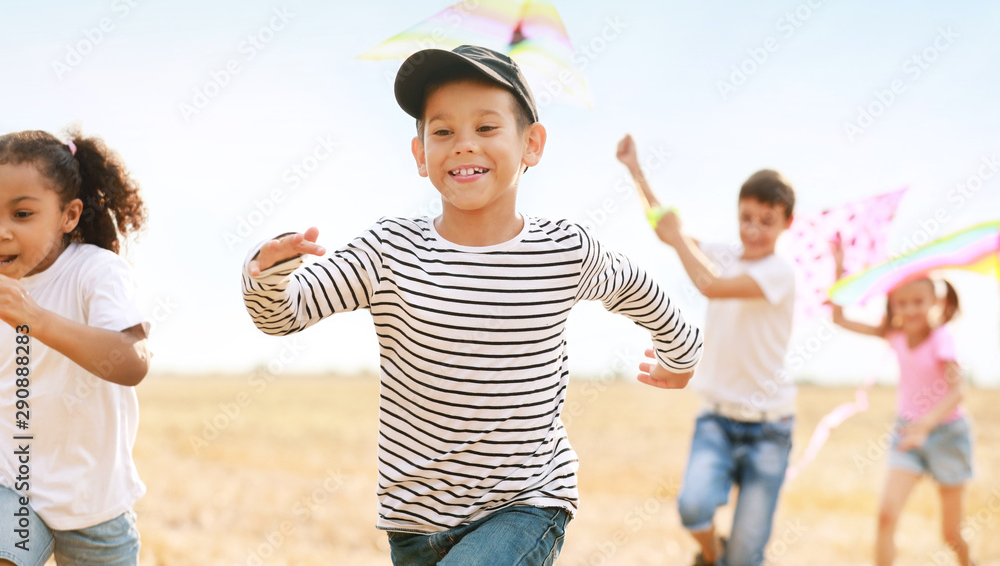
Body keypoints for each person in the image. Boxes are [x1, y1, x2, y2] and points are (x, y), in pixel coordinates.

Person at [241, 45, 704, 565]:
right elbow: (283, 315)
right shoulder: (389, 251)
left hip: (526, 503)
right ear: (419, 154)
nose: (464, 145)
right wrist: (268, 271)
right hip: (414, 523)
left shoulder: (563, 251)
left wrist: (681, 356)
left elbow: (644, 293)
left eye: (486, 128)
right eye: (442, 132)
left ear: (532, 144)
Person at [616, 134, 796, 566]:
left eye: (766, 221)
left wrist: (679, 240)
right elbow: (667, 230)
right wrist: (636, 171)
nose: (753, 229)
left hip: (770, 430)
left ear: (787, 223)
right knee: (693, 508)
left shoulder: (779, 274)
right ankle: (710, 556)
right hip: (717, 419)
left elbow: (710, 285)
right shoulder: (728, 254)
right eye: (746, 217)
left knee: (749, 555)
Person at [0, 130, 151, 565]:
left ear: (68, 215)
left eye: (22, 213)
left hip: (93, 504)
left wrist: (37, 320)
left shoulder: (96, 272)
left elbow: (131, 361)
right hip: (12, 483)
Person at [829, 241, 974, 566]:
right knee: (885, 516)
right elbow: (839, 318)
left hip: (947, 435)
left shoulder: (942, 339)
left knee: (951, 535)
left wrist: (926, 425)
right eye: (902, 303)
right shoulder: (893, 335)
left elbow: (957, 392)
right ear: (892, 304)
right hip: (907, 434)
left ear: (935, 301)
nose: (910, 310)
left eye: (918, 302)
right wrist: (839, 268)